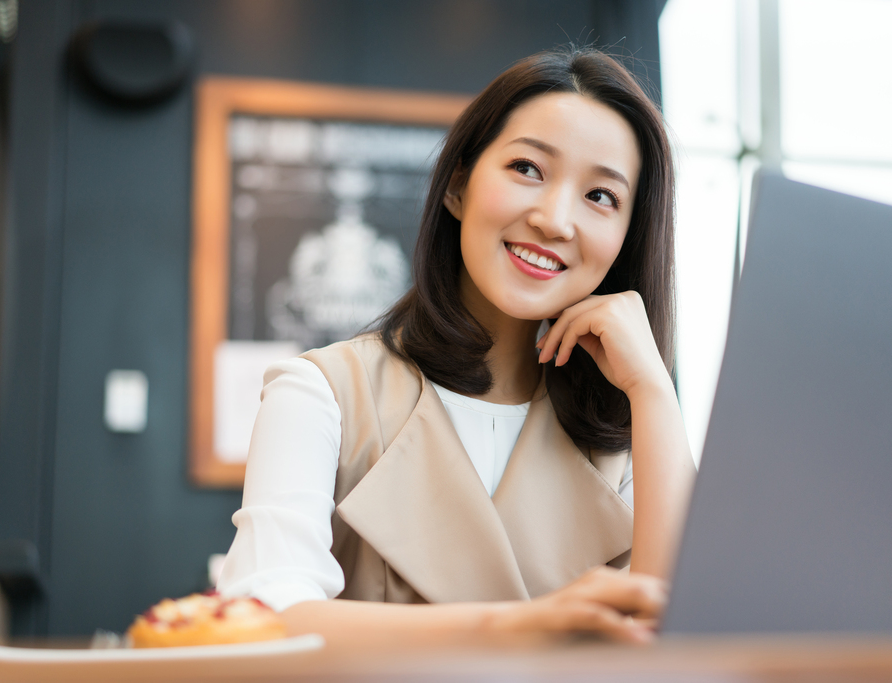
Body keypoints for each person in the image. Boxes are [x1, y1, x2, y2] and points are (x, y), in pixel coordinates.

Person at [217, 47, 696, 647]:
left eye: (601, 196)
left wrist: (654, 391)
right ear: (459, 187)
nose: (555, 220)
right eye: (528, 169)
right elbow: (258, 619)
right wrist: (519, 624)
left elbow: (681, 640)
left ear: (627, 239)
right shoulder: (323, 393)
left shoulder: (623, 442)